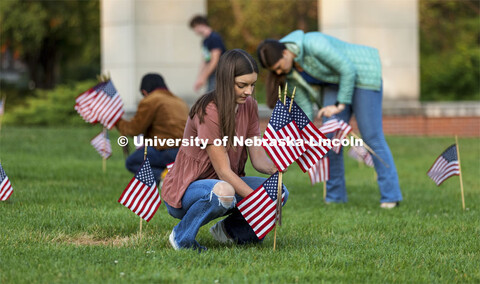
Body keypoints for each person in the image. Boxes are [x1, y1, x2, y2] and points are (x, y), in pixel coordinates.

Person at [257, 30, 402, 209]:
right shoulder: (290, 71)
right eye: (275, 71)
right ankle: (335, 197)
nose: (279, 72)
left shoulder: (313, 44)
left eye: (279, 66)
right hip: (335, 83)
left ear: (285, 53)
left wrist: (340, 105)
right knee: (329, 138)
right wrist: (303, 133)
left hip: (363, 76)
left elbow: (347, 69)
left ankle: (390, 196)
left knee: (372, 136)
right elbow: (305, 106)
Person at [162, 49, 288, 251]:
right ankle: (181, 237)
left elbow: (257, 158)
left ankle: (229, 232)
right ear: (225, 81)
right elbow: (224, 172)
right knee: (225, 191)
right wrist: (258, 202)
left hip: (224, 184)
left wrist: (276, 169)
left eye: (252, 85)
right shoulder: (209, 110)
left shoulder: (250, 106)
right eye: (242, 85)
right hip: (189, 189)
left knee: (278, 191)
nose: (248, 91)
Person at [116, 73, 189, 182]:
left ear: (144, 92)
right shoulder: (179, 101)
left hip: (167, 151)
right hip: (186, 153)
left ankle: (166, 178)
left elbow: (134, 130)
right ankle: (172, 174)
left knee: (132, 162)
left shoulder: (151, 100)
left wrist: (117, 121)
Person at [189, 15, 226, 93]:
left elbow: (215, 60)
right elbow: (205, 60)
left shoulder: (214, 37)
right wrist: (200, 78)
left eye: (194, 27)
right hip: (212, 75)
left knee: (213, 98)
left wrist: (203, 77)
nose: (194, 31)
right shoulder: (205, 41)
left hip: (220, 73)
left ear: (200, 25)